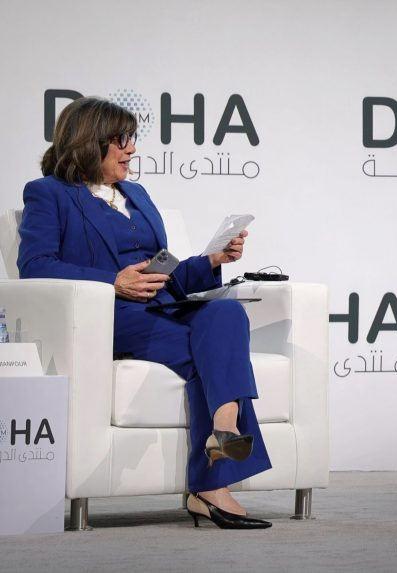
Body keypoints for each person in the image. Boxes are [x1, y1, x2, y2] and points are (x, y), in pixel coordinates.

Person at [18, 97, 272, 529]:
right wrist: (113, 281)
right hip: (112, 315)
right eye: (122, 140)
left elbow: (163, 272)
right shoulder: (49, 194)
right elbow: (35, 266)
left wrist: (212, 260)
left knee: (227, 314)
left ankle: (224, 425)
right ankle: (210, 487)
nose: (132, 149)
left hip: (165, 305)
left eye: (132, 139)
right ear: (90, 141)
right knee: (211, 357)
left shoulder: (137, 194)